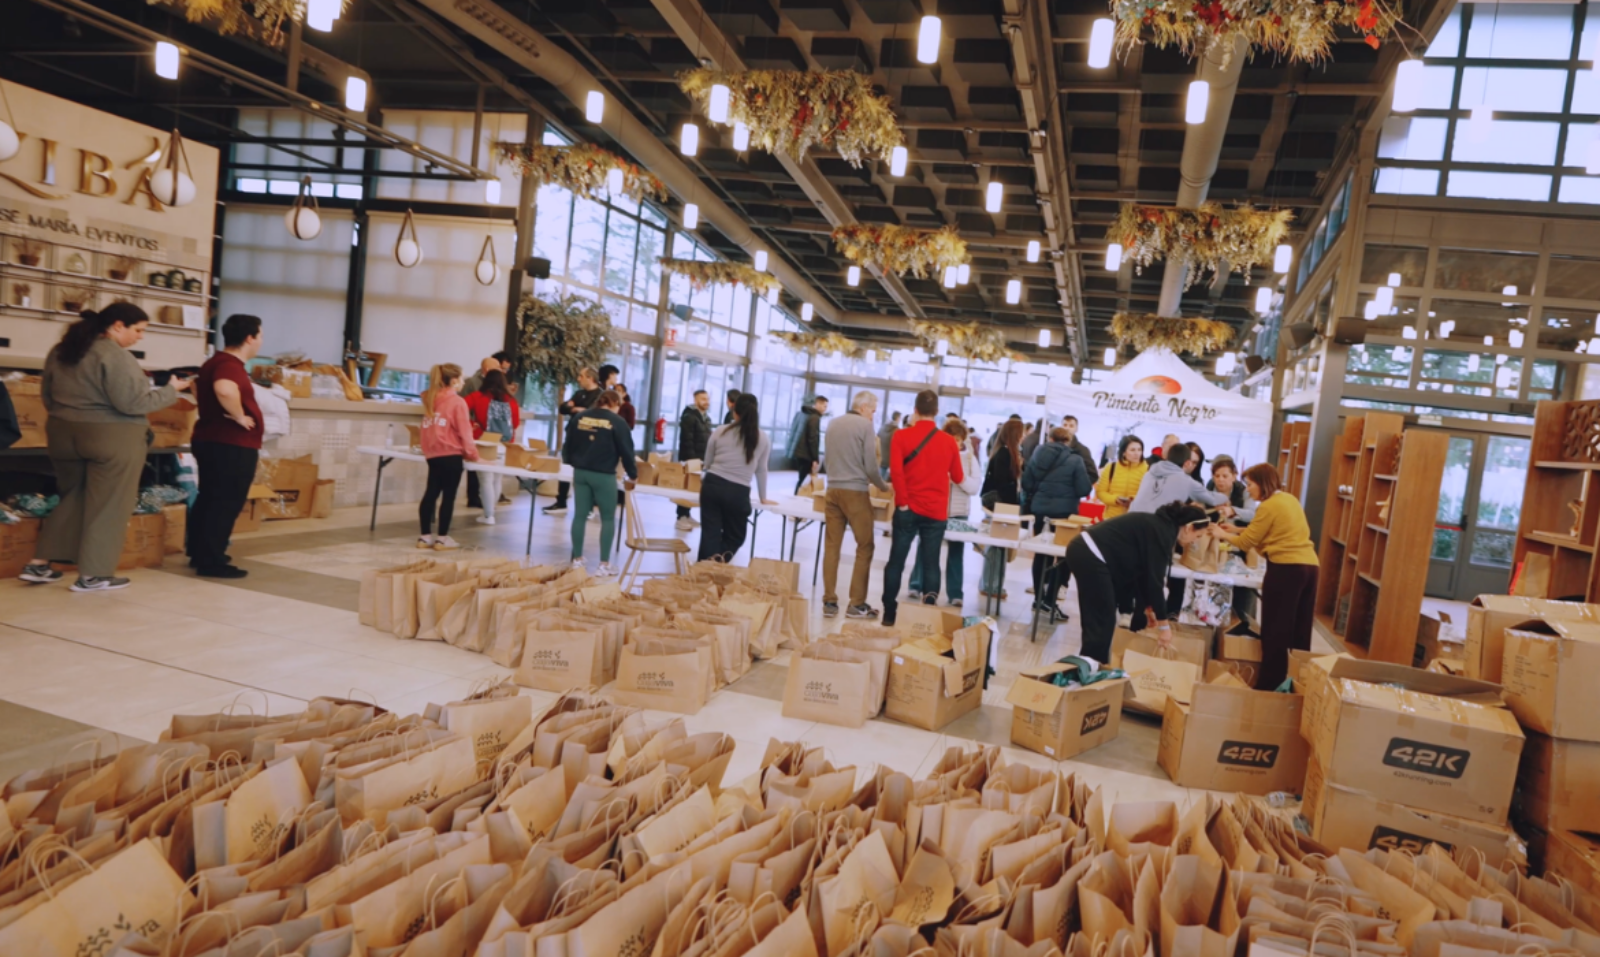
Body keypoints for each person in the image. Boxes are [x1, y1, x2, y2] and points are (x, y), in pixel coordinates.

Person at [20, 303, 190, 592]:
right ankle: (94, 576)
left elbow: (47, 397)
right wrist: (171, 390)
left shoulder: (61, 351)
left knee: (75, 497)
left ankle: (38, 564)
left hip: (63, 434)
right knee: (109, 505)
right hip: (111, 437)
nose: (140, 337)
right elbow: (134, 404)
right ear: (117, 326)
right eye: (138, 330)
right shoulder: (115, 356)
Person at [1210, 464, 1319, 690]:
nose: (1248, 490)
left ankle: (1269, 686)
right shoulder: (1289, 500)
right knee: (1300, 630)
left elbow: (1247, 543)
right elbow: (1270, 531)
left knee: (1275, 631)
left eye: (1250, 484)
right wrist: (1236, 529)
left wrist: (1221, 533)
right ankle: (1298, 685)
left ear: (1263, 483)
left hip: (1286, 569)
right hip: (1309, 567)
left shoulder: (1268, 506)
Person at [1066, 500, 1211, 662]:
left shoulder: (1162, 527)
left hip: (1089, 552)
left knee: (1102, 619)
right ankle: (1089, 669)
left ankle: (1092, 665)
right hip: (1089, 553)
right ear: (1188, 527)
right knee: (1101, 620)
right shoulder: (1162, 532)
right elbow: (1155, 582)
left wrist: (1149, 608)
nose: (1194, 541)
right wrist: (1164, 627)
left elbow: (1144, 574)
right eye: (1197, 536)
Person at [186, 314, 264, 579]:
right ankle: (212, 561)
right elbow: (224, 390)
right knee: (225, 502)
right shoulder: (230, 365)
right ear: (249, 338)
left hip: (211, 440)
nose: (261, 341)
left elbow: (197, 388)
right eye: (260, 335)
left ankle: (200, 552)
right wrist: (240, 416)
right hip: (230, 444)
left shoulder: (214, 361)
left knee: (209, 498)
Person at [881, 389, 964, 626]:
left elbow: (896, 472)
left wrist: (903, 503)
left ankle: (889, 612)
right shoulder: (949, 442)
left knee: (896, 560)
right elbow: (957, 477)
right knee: (931, 562)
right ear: (937, 413)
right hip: (935, 512)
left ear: (915, 411)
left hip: (908, 508)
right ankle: (927, 613)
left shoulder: (901, 436)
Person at [821, 391, 893, 619]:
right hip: (855, 492)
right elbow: (871, 467)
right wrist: (884, 486)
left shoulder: (832, 423)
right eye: (873, 410)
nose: (873, 415)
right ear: (863, 407)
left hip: (831, 490)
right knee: (865, 546)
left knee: (832, 546)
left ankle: (829, 602)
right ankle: (856, 603)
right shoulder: (864, 426)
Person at [1022, 426, 1093, 621]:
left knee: (1041, 554)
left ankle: (1038, 599)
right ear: (1067, 441)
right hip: (1064, 516)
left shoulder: (1037, 455)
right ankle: (1050, 601)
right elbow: (1083, 488)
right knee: (1062, 557)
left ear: (1050, 438)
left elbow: (1027, 483)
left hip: (1040, 511)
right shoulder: (1075, 459)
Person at [908, 419, 980, 607]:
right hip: (934, 509)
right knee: (925, 548)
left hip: (958, 512)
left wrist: (958, 479)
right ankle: (916, 584)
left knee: (956, 552)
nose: (955, 443)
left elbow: (974, 487)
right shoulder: (935, 452)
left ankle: (955, 593)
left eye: (958, 440)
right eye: (951, 439)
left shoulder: (971, 459)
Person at [563, 389, 636, 576]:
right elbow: (626, 451)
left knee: (579, 515)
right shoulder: (618, 422)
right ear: (614, 403)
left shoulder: (580, 416)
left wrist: (570, 460)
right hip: (604, 475)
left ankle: (577, 560)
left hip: (580, 472)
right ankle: (603, 564)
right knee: (608, 518)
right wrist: (633, 474)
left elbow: (568, 442)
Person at [697, 393, 774, 563]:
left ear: (734, 411)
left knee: (710, 534)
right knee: (735, 536)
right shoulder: (763, 437)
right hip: (738, 492)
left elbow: (707, 463)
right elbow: (761, 469)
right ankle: (714, 566)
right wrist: (763, 497)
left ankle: (702, 574)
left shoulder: (720, 430)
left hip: (712, 486)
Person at [418, 364, 479, 551]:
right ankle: (442, 538)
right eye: (461, 378)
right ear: (454, 381)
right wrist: (473, 454)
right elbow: (465, 432)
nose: (463, 382)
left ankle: (424, 537)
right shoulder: (458, 402)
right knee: (449, 497)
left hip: (433, 454)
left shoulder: (430, 399)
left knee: (431, 493)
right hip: (451, 455)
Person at [543, 367, 604, 516]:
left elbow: (593, 412)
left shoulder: (600, 395)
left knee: (586, 472)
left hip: (590, 438)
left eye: (581, 376)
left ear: (590, 378)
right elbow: (563, 408)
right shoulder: (579, 394)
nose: (578, 378)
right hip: (573, 435)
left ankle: (588, 506)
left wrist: (576, 408)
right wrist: (576, 408)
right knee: (566, 467)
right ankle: (561, 501)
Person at [464, 369, 521, 526]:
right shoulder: (511, 401)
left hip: (484, 442)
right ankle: (491, 512)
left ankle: (488, 515)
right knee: (497, 479)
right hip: (504, 444)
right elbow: (515, 424)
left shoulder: (477, 397)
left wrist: (471, 424)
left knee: (485, 480)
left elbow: (460, 408)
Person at [462, 351, 510, 509]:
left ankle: (487, 507)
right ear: (487, 369)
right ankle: (482, 503)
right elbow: (461, 406)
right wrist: (469, 422)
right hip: (488, 436)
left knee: (488, 476)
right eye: (497, 367)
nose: (501, 370)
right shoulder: (475, 385)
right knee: (489, 475)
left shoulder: (482, 395)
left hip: (487, 436)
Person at [1129, 441, 1229, 513]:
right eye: (1191, 462)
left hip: (1130, 521)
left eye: (1196, 463)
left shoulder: (1149, 473)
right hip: (1154, 528)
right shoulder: (1186, 481)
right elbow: (1212, 499)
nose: (1193, 465)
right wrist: (1226, 497)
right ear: (1187, 462)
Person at [675, 389, 713, 530]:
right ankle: (680, 517)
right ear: (695, 400)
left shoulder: (706, 418)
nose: (706, 401)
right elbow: (687, 440)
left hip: (701, 459)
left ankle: (687, 514)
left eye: (707, 398)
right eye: (703, 398)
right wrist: (692, 460)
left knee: (693, 488)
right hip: (690, 458)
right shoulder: (689, 416)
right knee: (685, 487)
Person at [1094, 435, 1147, 521]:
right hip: (1111, 518)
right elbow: (1101, 492)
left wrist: (1133, 500)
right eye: (1132, 450)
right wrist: (1115, 499)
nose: (1137, 453)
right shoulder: (1111, 467)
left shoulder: (1148, 470)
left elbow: (1149, 495)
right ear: (1124, 452)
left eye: (1139, 449)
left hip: (1136, 519)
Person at [981, 418, 1025, 510]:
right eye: (1021, 433)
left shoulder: (1007, 451)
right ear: (1015, 434)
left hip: (1004, 501)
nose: (1023, 436)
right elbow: (1001, 481)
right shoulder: (1004, 453)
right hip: (1003, 502)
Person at [787, 395, 826, 494]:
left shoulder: (802, 413)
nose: (825, 409)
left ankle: (797, 495)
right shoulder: (815, 417)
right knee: (803, 478)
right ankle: (798, 495)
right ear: (817, 404)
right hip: (806, 453)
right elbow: (812, 438)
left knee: (802, 477)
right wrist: (815, 458)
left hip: (798, 451)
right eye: (824, 406)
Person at [1059, 416, 1100, 483]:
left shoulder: (1082, 450)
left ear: (1076, 429)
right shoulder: (1052, 447)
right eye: (1065, 425)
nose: (1067, 428)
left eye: (1071, 426)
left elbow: (1092, 475)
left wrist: (1075, 487)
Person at [877, 411, 900, 481]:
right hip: (890, 461)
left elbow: (877, 439)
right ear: (898, 418)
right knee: (886, 485)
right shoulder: (896, 431)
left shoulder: (882, 428)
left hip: (881, 458)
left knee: (879, 482)